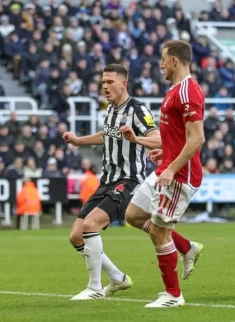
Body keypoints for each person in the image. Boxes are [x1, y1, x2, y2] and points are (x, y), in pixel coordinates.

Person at [62, 63, 160, 300]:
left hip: (128, 180)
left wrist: (135, 137)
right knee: (76, 236)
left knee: (90, 226)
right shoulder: (111, 110)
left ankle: (94, 288)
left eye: (110, 82)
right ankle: (117, 278)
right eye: (103, 82)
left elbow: (158, 139)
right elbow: (106, 135)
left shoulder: (137, 110)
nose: (104, 87)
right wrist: (78, 141)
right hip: (107, 180)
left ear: (123, 83)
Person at [125, 40, 206, 308]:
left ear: (174, 61)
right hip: (167, 168)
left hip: (180, 176)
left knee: (159, 232)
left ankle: (173, 295)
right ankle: (186, 247)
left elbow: (197, 139)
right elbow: (176, 136)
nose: (160, 65)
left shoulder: (188, 92)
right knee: (134, 215)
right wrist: (162, 150)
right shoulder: (174, 91)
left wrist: (172, 167)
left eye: (163, 59)